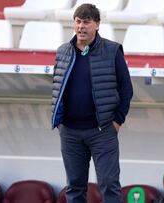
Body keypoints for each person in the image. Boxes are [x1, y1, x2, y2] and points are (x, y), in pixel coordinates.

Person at [51, 3, 133, 203]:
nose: (81, 26)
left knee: (109, 185)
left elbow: (126, 89)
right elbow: (57, 86)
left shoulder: (112, 51)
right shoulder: (63, 51)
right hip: (70, 131)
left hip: (102, 131)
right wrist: (60, 122)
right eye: (78, 22)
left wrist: (117, 121)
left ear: (97, 24)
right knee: (75, 188)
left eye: (86, 22)